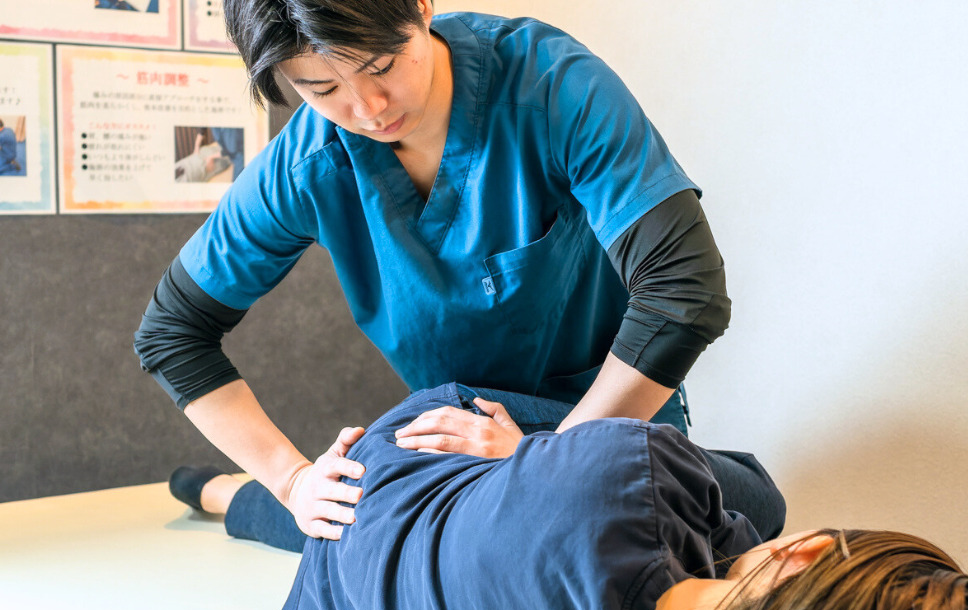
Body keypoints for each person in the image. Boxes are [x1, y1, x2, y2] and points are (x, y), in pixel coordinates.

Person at [134, 1, 731, 544]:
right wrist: (291, 482)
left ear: (421, 7)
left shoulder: (550, 87)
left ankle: (217, 492)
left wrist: (550, 459)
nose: (366, 108)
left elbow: (684, 288)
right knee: (367, 533)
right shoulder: (309, 162)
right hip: (458, 439)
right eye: (321, 88)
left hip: (604, 417)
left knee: (697, 523)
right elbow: (171, 332)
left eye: (382, 65)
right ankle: (222, 491)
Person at [169, 384, 968, 610]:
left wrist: (530, 452)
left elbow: (743, 527)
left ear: (806, 556)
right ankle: (221, 496)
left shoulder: (629, 473)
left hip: (386, 470)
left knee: (756, 493)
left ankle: (220, 490)